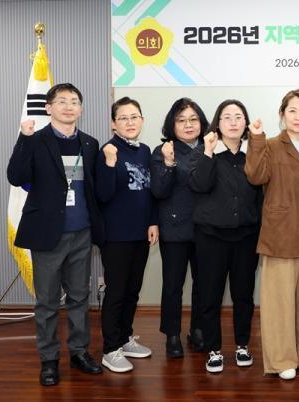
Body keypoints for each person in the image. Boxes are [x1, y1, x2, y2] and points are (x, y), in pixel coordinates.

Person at [7, 83, 104, 385]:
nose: (69, 106)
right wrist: (24, 138)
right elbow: (16, 176)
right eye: (62, 101)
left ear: (81, 109)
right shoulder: (35, 140)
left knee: (79, 298)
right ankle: (49, 360)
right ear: (49, 108)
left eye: (74, 101)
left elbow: (93, 188)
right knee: (48, 302)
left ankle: (79, 352)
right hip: (48, 235)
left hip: (82, 233)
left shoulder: (90, 144)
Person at [245, 89, 299, 380]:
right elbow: (256, 175)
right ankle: (282, 360)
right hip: (281, 232)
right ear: (282, 114)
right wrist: (255, 139)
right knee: (279, 300)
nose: (298, 117)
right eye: (292, 110)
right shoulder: (269, 145)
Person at [189, 99, 263, 373]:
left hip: (246, 237)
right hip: (211, 237)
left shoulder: (253, 153)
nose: (233, 122)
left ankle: (242, 345)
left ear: (246, 123)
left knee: (243, 295)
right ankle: (214, 350)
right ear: (217, 124)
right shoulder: (203, 151)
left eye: (238, 116)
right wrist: (209, 152)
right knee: (210, 296)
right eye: (226, 117)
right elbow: (200, 184)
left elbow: (261, 193)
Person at [96, 97, 158, 373]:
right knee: (116, 292)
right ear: (113, 124)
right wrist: (110, 164)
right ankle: (110, 349)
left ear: (142, 120)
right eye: (123, 118)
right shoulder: (108, 150)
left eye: (134, 117)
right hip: (116, 235)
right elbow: (103, 195)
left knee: (132, 290)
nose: (130, 122)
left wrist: (153, 221)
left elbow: (150, 192)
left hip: (140, 234)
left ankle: (124, 338)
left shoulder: (144, 150)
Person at [151, 98, 209, 358]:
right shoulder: (164, 150)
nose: (188, 125)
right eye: (181, 120)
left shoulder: (211, 147)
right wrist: (169, 163)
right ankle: (172, 334)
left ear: (202, 122)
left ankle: (198, 329)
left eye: (193, 119)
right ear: (172, 125)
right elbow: (158, 191)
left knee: (203, 283)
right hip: (175, 228)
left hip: (206, 228)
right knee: (173, 285)